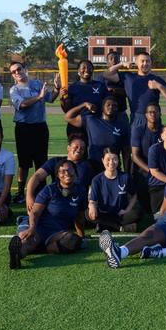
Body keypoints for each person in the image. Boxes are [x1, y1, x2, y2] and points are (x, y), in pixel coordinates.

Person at [9, 158, 88, 270]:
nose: (67, 173)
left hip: (56, 231)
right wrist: (32, 228)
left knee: (72, 240)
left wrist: (82, 236)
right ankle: (16, 256)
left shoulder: (81, 191)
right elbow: (35, 213)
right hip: (38, 225)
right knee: (28, 241)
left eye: (70, 170)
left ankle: (40, 247)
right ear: (57, 175)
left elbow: (79, 217)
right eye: (62, 171)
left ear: (75, 172)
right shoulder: (49, 190)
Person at [10, 60, 55, 203]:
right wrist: (39, 97)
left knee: (41, 161)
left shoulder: (37, 84)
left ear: (25, 69)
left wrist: (58, 88)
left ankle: (41, 191)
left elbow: (51, 98)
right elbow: (22, 104)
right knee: (24, 162)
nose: (17, 72)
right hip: (24, 128)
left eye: (19, 69)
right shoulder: (14, 90)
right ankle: (20, 192)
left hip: (40, 127)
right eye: (13, 71)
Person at [102, 51, 166, 126]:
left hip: (153, 117)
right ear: (136, 63)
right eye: (142, 61)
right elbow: (106, 74)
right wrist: (121, 64)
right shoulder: (128, 77)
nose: (145, 64)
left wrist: (159, 86)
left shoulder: (157, 80)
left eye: (148, 61)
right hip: (136, 118)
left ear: (151, 63)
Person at [26, 136, 94, 214]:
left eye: (82, 149)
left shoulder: (86, 167)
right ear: (68, 147)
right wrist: (29, 196)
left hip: (75, 206)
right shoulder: (55, 161)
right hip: (55, 203)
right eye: (76, 147)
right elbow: (36, 176)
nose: (79, 150)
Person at [64, 96, 131, 169]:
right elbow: (68, 117)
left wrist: (127, 172)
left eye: (114, 105)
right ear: (102, 108)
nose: (111, 107)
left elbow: (126, 151)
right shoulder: (91, 120)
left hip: (112, 167)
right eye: (108, 105)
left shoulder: (122, 127)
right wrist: (84, 105)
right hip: (93, 167)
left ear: (117, 109)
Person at [88, 148, 142, 233]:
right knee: (87, 213)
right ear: (102, 160)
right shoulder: (97, 179)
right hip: (104, 215)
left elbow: (134, 196)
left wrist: (127, 210)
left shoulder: (125, 177)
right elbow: (92, 201)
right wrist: (92, 206)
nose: (111, 163)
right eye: (108, 160)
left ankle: (104, 226)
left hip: (121, 215)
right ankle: (121, 228)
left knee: (138, 212)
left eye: (114, 159)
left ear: (118, 160)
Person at [59, 59, 108, 144]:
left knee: (95, 152)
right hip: (76, 124)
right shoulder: (72, 87)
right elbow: (67, 110)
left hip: (96, 123)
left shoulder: (100, 86)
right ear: (78, 71)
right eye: (83, 68)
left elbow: (107, 104)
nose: (86, 70)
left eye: (89, 68)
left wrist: (100, 109)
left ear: (93, 70)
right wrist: (61, 99)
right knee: (79, 153)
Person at [130, 102, 163, 215]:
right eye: (150, 112)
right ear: (146, 115)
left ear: (160, 114)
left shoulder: (164, 131)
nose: (153, 114)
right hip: (144, 169)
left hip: (160, 169)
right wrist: (150, 170)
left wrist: (157, 171)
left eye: (155, 112)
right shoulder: (138, 130)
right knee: (145, 207)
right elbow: (135, 156)